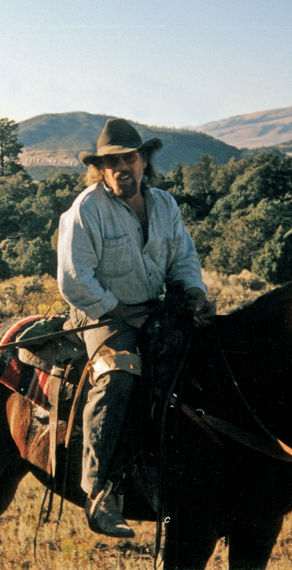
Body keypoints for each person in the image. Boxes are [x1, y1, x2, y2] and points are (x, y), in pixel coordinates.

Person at [57, 118, 214, 538]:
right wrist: (117, 309)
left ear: (144, 160)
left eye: (129, 157)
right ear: (100, 168)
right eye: (111, 162)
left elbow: (183, 258)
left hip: (153, 309)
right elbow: (74, 279)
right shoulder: (86, 209)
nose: (121, 167)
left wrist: (193, 292)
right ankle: (99, 488)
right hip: (99, 313)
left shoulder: (165, 205)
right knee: (120, 373)